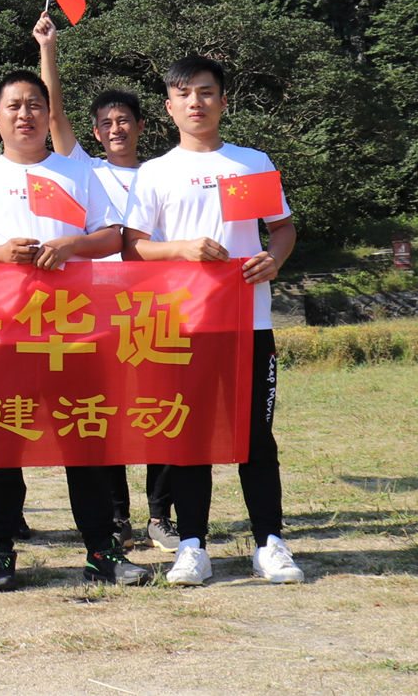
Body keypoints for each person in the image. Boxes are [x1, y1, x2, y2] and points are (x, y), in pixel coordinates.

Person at [0, 62, 152, 590]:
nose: (25, 114)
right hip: (2, 335)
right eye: (13, 106)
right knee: (2, 445)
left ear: (48, 114)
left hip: (74, 334)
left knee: (85, 441)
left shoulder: (79, 172)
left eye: (35, 105)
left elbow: (113, 238)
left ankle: (102, 551)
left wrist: (70, 245)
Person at [122, 54, 305, 587]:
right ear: (169, 106)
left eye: (205, 92)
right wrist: (182, 249)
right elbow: (134, 249)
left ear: (222, 102)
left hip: (248, 323)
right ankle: (192, 545)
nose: (195, 102)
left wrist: (275, 258)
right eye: (184, 94)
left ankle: (269, 542)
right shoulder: (155, 172)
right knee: (188, 436)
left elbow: (283, 229)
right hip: (181, 327)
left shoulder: (250, 162)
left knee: (255, 436)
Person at [38, 27, 176, 553]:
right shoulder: (85, 170)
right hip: (97, 309)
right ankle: (117, 517)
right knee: (107, 411)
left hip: (155, 308)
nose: (116, 129)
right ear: (94, 133)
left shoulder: (165, 173)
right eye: (106, 123)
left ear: (141, 126)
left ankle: (161, 516)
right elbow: (52, 115)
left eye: (124, 121)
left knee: (158, 409)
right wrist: (49, 50)